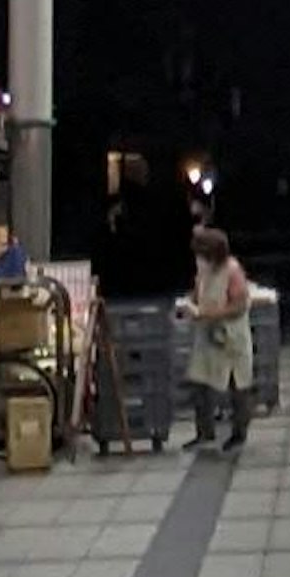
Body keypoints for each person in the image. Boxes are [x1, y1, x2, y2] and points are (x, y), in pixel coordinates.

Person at [92, 145, 191, 454]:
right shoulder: (159, 203)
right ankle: (149, 415)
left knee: (128, 353)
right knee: (152, 351)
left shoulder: (119, 207)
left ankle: (133, 415)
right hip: (152, 287)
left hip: (125, 288)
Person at [183, 202, 256, 453]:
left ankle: (239, 432)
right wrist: (190, 304)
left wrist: (211, 313)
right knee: (200, 383)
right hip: (206, 333)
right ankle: (204, 431)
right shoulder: (204, 270)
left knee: (238, 386)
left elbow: (239, 304)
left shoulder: (232, 271)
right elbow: (197, 293)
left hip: (230, 336)